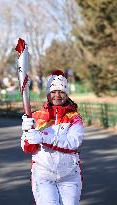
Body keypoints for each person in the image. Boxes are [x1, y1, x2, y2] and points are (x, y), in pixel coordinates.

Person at [21, 70, 84, 205]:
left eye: (61, 91)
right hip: (43, 176)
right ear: (48, 94)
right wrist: (27, 132)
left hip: (70, 176)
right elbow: (28, 148)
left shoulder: (74, 117)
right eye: (53, 91)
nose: (57, 95)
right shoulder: (36, 116)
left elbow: (73, 142)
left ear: (66, 94)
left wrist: (43, 137)